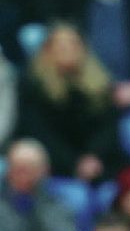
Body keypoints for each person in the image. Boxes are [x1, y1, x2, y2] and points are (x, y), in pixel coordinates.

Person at [17, 22, 121, 181]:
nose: (67, 50)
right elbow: (39, 133)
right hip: (55, 167)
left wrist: (94, 156)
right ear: (47, 50)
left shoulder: (102, 85)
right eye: (60, 45)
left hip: (99, 164)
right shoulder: (33, 86)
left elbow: (109, 128)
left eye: (73, 44)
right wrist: (74, 163)